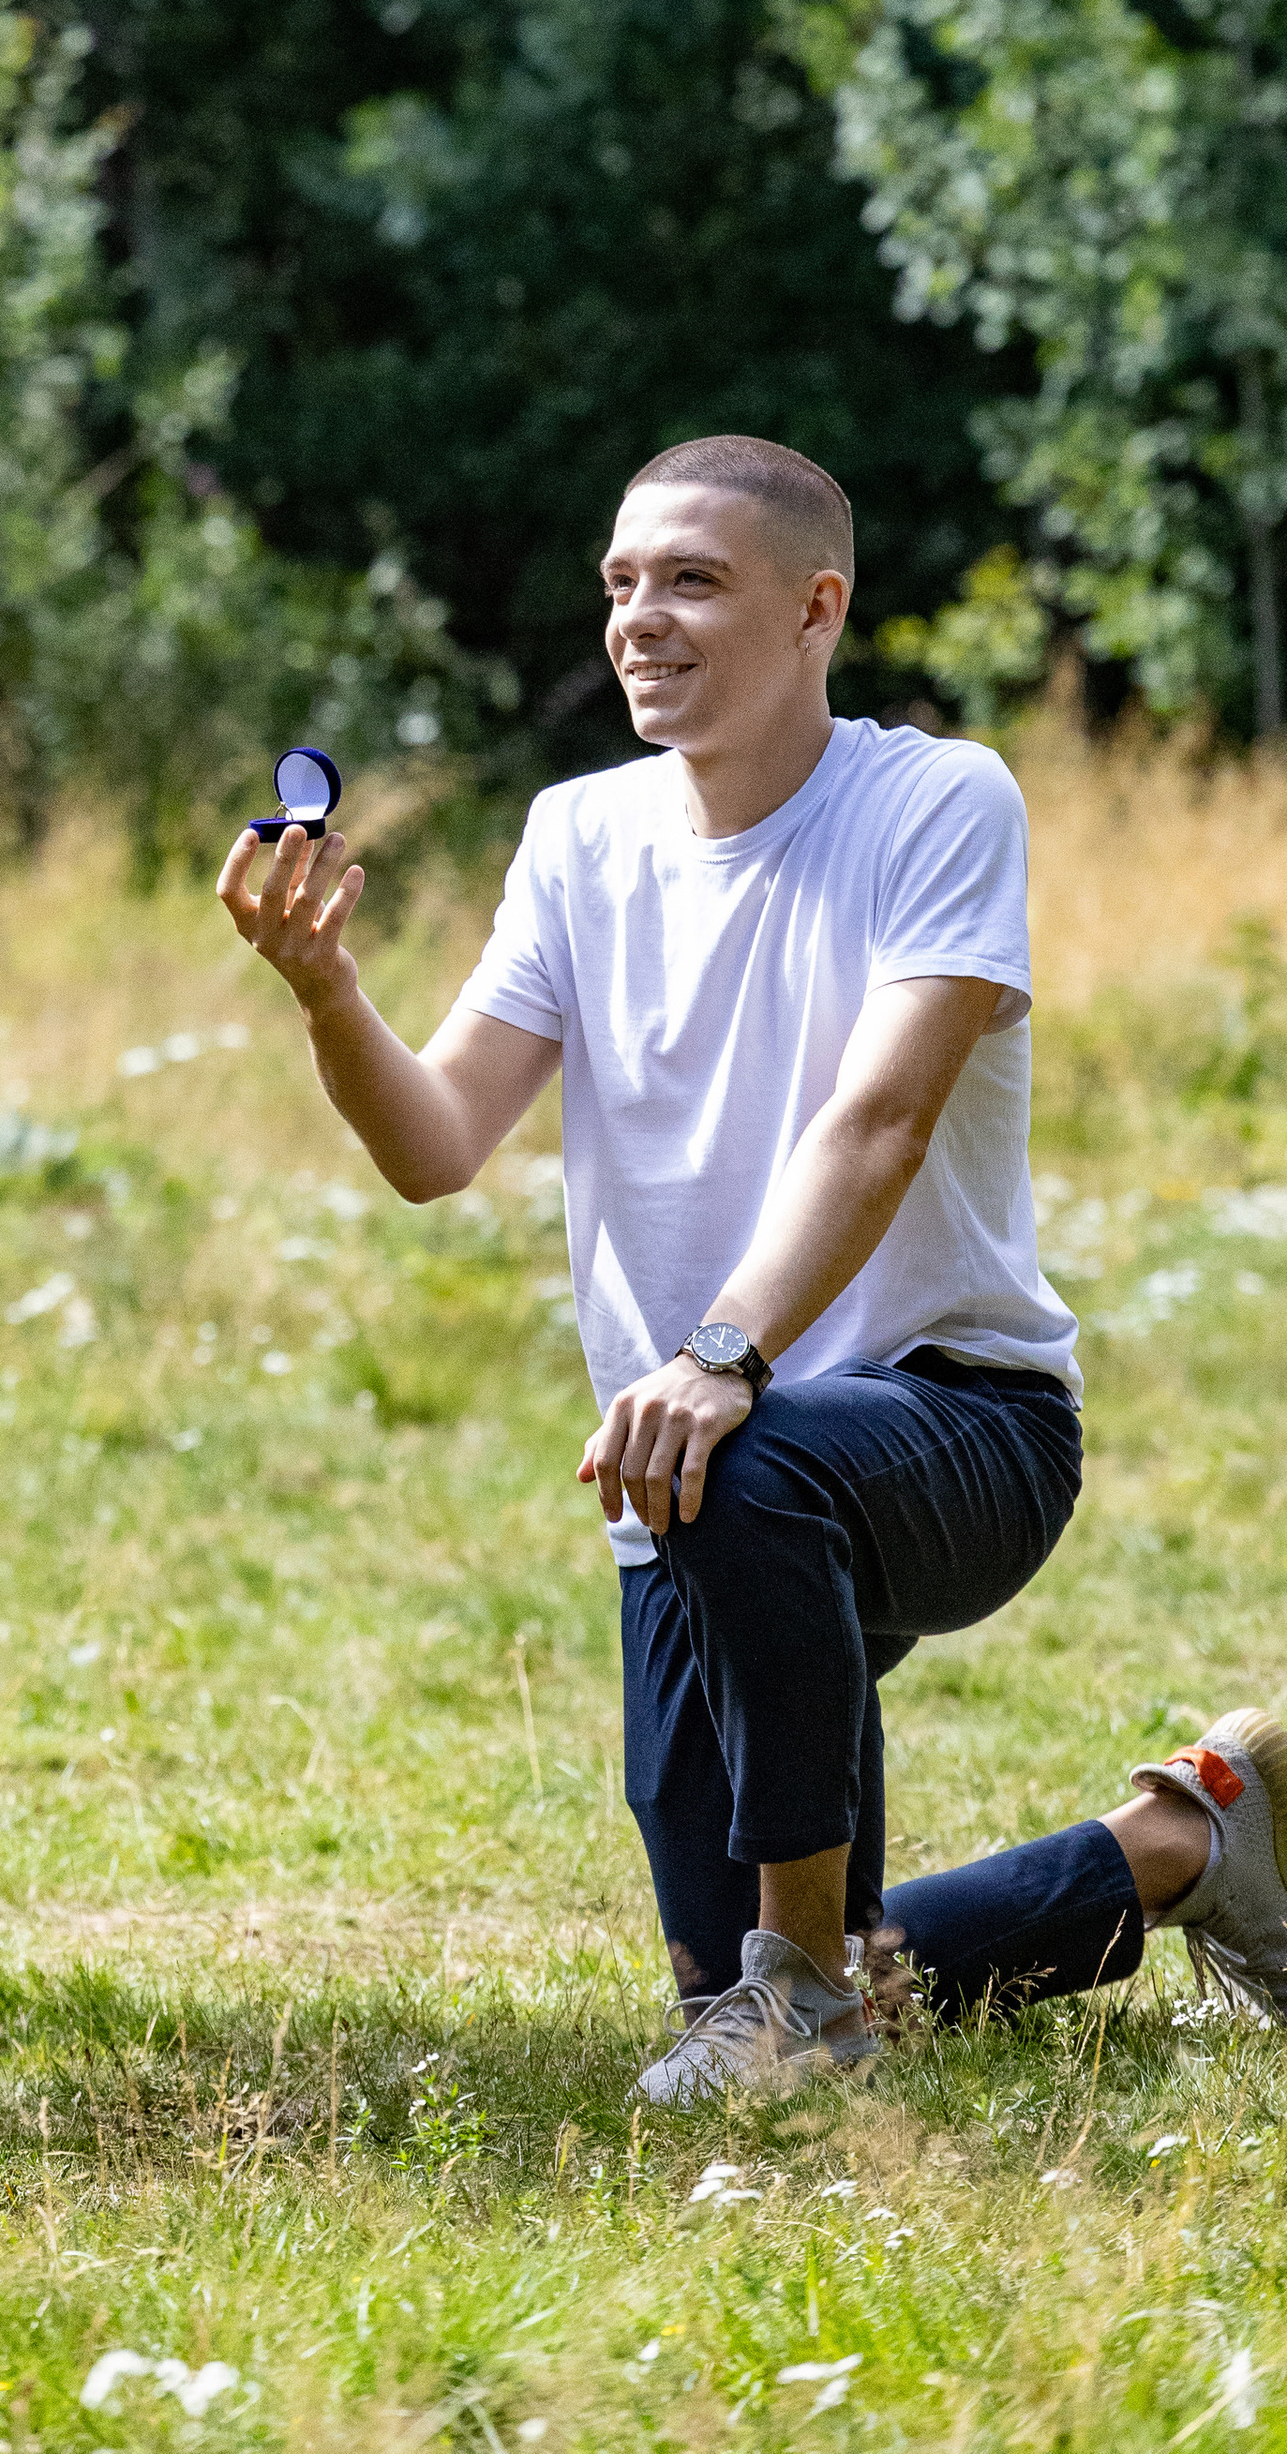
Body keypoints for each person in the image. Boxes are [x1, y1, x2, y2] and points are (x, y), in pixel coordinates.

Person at [217, 432, 1287, 2104]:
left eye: (692, 581)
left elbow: (880, 1118)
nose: (639, 619)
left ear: (816, 607)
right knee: (713, 1968)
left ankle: (805, 1996)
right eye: (622, 585)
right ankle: (1179, 1840)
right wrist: (326, 993)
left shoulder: (940, 798)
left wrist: (722, 1354)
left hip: (954, 1420)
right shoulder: (579, 837)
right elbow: (434, 1146)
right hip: (690, 1472)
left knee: (755, 1513)